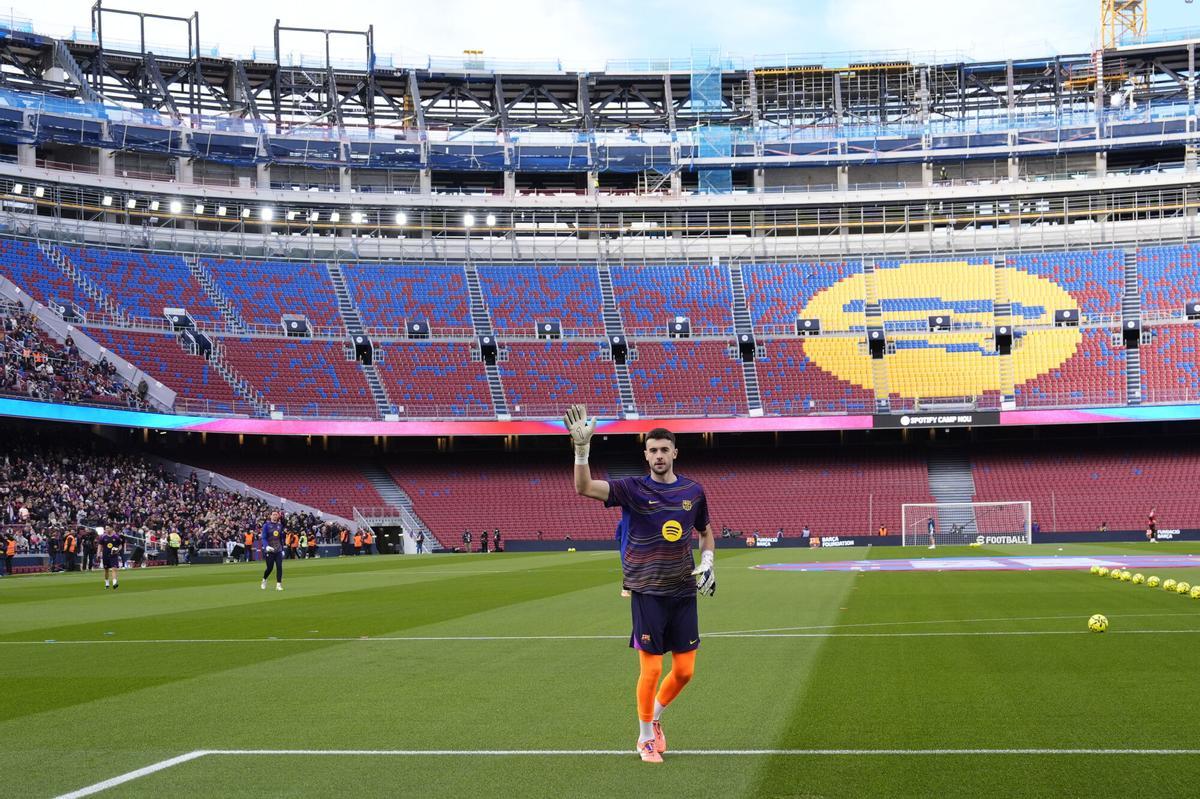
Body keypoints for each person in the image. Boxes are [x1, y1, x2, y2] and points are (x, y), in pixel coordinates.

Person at [564, 404, 715, 764]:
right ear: (645, 455)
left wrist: (709, 561)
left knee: (685, 671)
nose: (659, 456)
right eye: (653, 450)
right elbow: (583, 487)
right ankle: (645, 737)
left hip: (682, 590)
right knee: (650, 669)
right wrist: (582, 451)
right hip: (647, 590)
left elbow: (705, 532)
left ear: (674, 453)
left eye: (665, 450)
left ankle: (656, 717)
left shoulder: (693, 491)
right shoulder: (631, 488)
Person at [260, 510, 284, 591]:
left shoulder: (280, 526)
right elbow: (263, 537)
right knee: (269, 568)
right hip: (269, 550)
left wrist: (282, 549)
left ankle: (278, 585)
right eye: (273, 514)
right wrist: (266, 546)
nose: (274, 516)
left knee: (279, 567)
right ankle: (264, 579)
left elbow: (281, 538)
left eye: (276, 515)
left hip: (278, 550)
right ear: (270, 516)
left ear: (278, 516)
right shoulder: (266, 525)